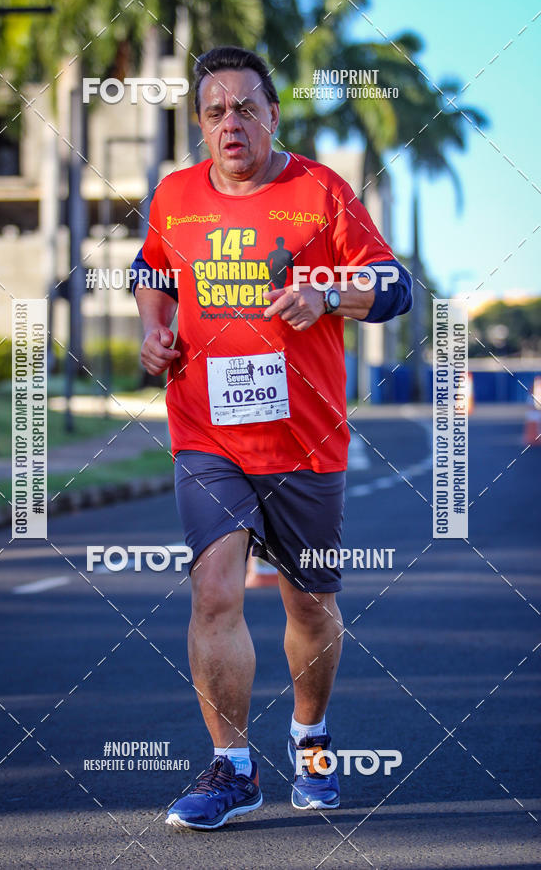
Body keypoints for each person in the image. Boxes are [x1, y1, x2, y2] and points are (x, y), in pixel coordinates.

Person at [131, 45, 412, 830]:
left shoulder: (319, 189)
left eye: (246, 108)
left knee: (310, 604)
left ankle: (312, 737)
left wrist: (324, 292)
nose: (231, 123)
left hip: (305, 440)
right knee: (215, 589)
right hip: (206, 433)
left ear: (272, 114)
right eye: (216, 111)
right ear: (199, 123)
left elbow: (394, 287)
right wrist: (154, 336)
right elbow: (150, 272)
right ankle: (234, 768)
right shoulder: (175, 196)